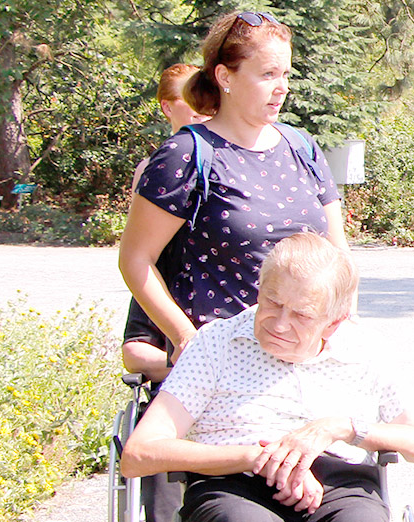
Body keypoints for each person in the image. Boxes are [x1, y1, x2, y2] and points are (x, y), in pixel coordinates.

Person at [119, 233, 414, 521]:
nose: (278, 324)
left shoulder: (365, 350)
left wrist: (342, 428)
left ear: (334, 322)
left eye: (301, 315)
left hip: (341, 488)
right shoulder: (215, 342)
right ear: (259, 290)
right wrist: (259, 458)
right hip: (235, 484)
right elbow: (139, 455)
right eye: (272, 303)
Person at [118, 10, 347, 371]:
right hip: (221, 368)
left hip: (305, 364)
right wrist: (184, 340)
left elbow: (340, 259)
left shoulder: (302, 147)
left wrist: (342, 332)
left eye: (286, 74)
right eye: (268, 74)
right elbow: (136, 260)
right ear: (225, 76)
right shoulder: (187, 154)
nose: (282, 87)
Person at [120, 62, 213, 522]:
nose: (202, 113)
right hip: (178, 384)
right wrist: (194, 361)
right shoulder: (161, 167)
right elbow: (135, 351)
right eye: (189, 104)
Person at [121, 62, 212, 383]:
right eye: (192, 101)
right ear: (167, 107)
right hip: (165, 271)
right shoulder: (152, 166)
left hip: (206, 277)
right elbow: (139, 244)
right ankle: (203, 371)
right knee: (136, 352)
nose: (202, 109)